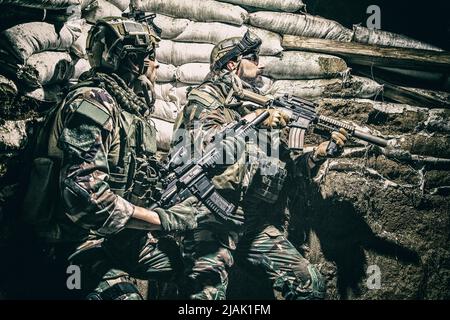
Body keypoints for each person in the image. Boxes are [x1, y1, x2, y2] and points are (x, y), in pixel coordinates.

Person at [20, 15, 202, 300]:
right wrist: (160, 219)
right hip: (72, 246)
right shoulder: (93, 103)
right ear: (133, 62)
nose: (156, 67)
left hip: (115, 239)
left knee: (197, 267)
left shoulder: (128, 111)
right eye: (150, 58)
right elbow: (86, 198)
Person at [171, 31, 348, 300]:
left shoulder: (255, 107)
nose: (261, 64)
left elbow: (286, 168)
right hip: (209, 218)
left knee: (309, 285)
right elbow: (202, 146)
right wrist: (255, 120)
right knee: (206, 297)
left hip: (248, 221)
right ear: (232, 64)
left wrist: (319, 153)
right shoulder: (207, 99)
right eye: (253, 58)